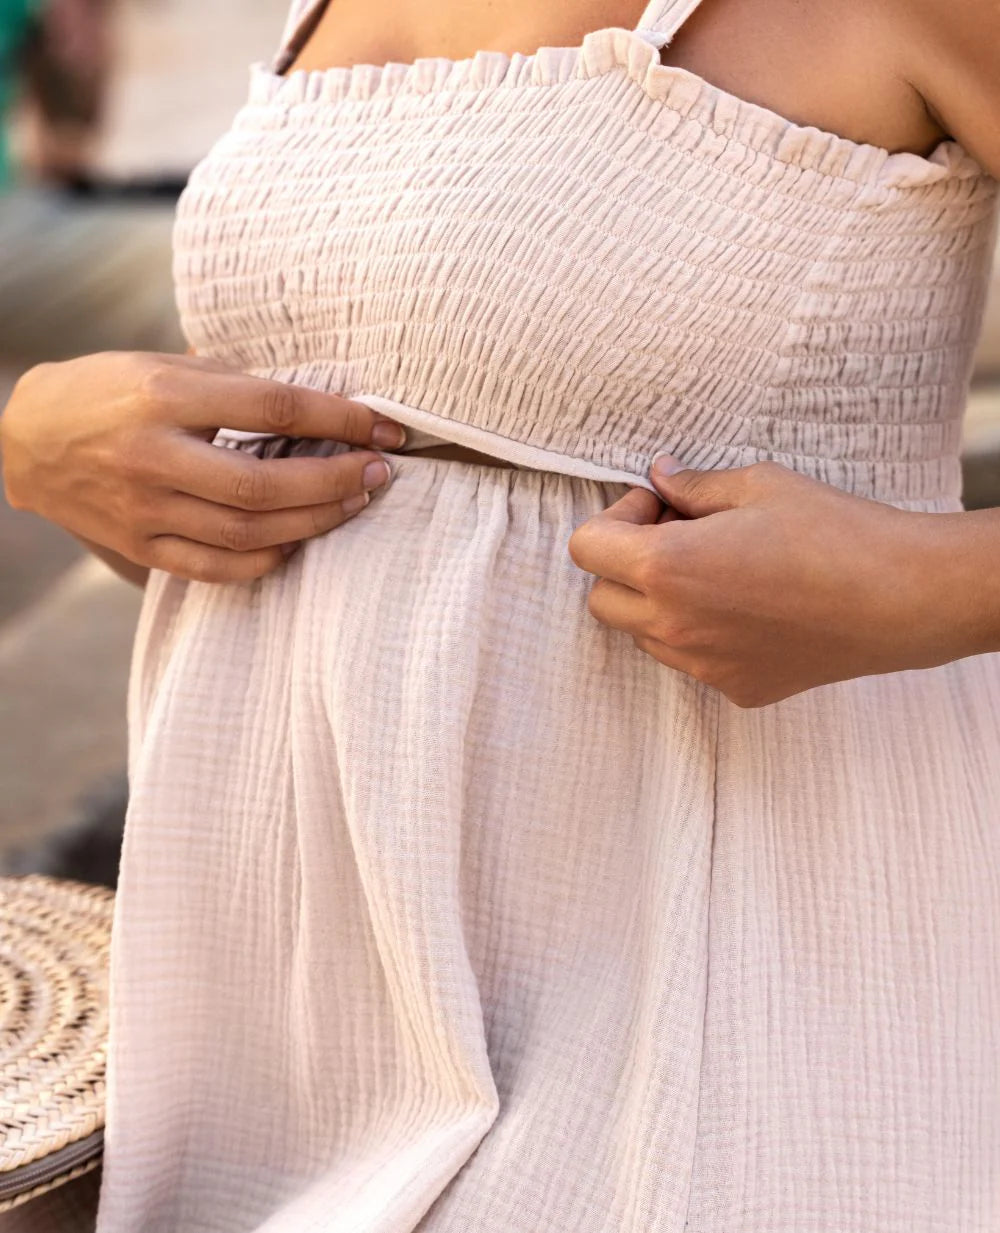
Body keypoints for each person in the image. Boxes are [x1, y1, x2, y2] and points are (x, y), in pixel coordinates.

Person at [2, 0, 999, 1228]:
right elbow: (416, 522)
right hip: (282, 1015)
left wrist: (920, 586)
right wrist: (59, 454)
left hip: (713, 978)